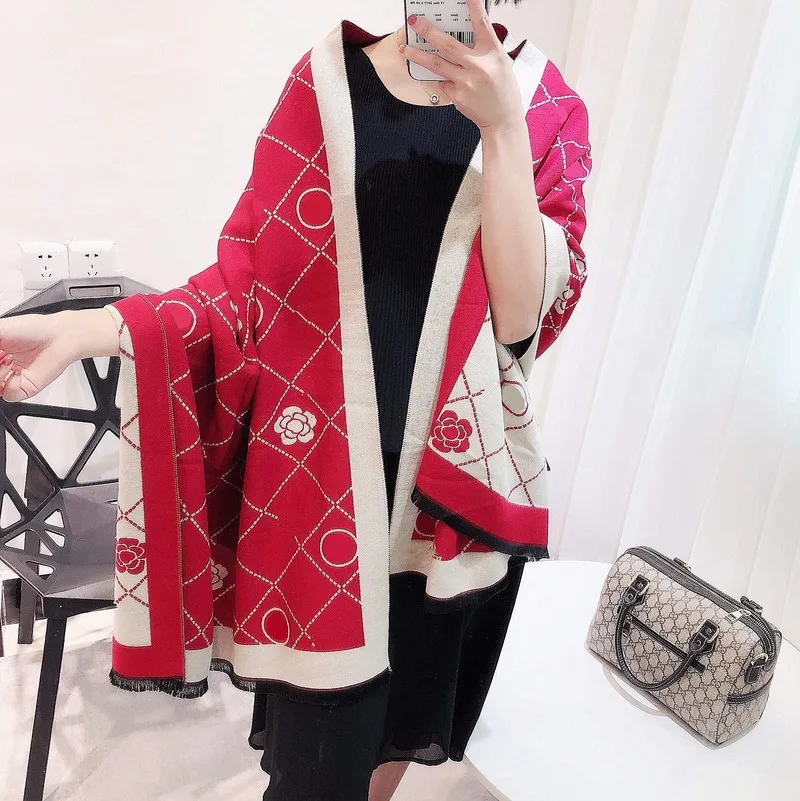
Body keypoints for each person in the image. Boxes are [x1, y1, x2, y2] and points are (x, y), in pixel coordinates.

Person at [0, 2, 591, 800]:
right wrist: (87, 328)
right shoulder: (327, 83)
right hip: (319, 503)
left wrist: (503, 127)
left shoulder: (544, 104)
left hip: (446, 513)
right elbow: (246, 288)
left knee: (390, 746)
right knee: (311, 771)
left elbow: (521, 321)